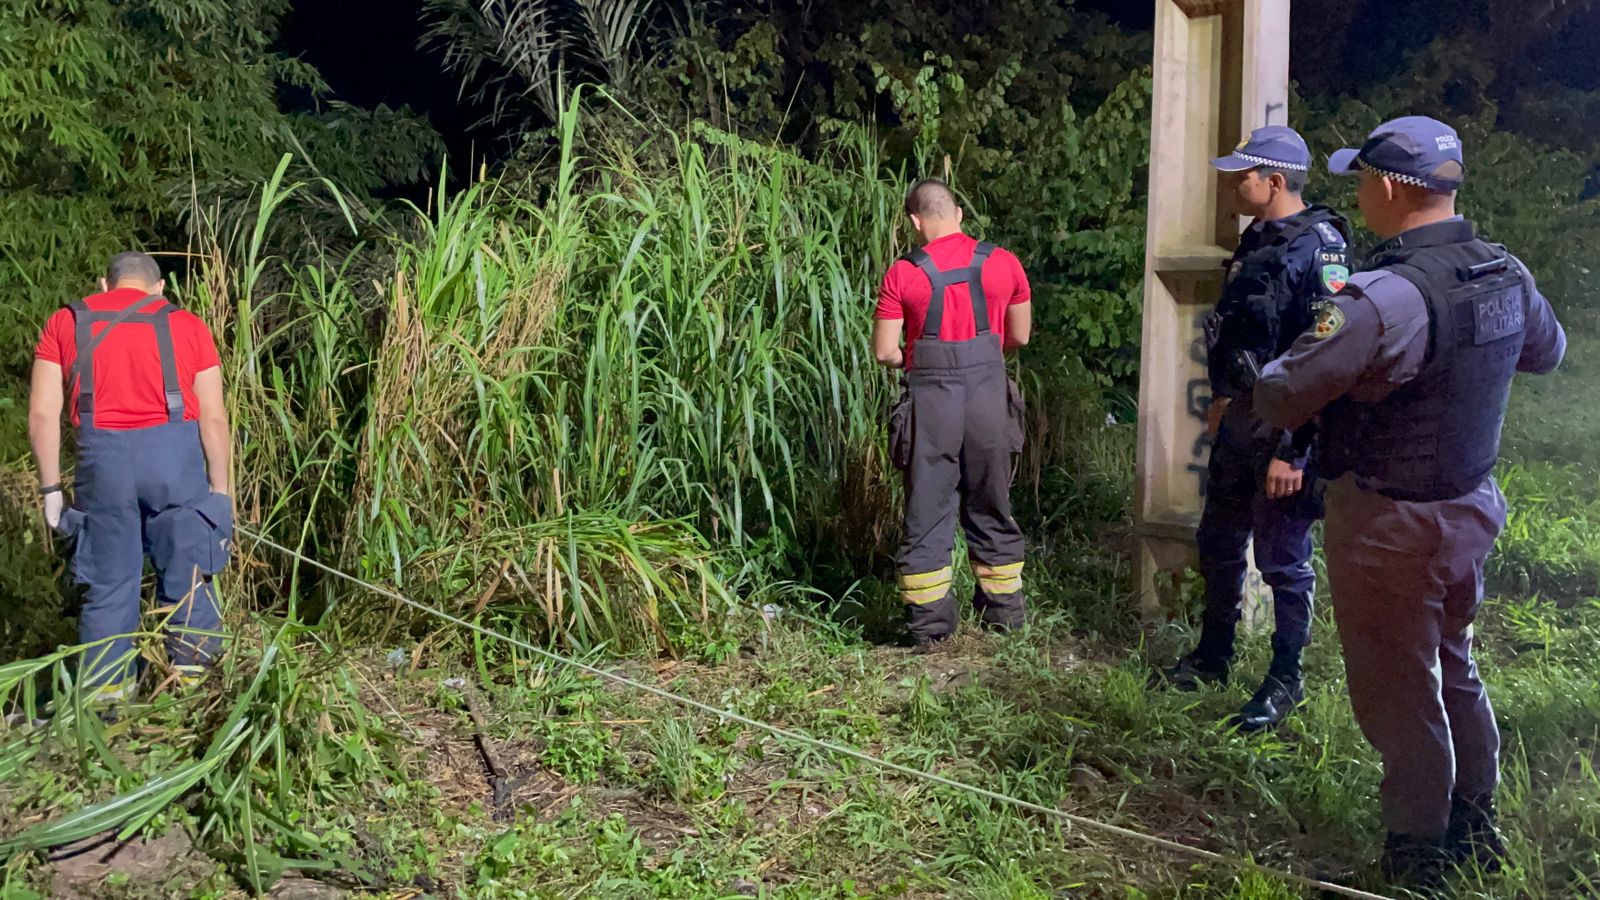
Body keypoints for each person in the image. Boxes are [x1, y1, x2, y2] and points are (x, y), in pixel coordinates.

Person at [1254, 116, 1566, 886]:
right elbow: (1546, 352)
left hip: (1391, 520)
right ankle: (1474, 818)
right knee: (1452, 658)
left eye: (1360, 179)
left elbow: (1283, 391)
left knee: (1398, 683)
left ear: (1390, 187)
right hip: (1469, 506)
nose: (1357, 193)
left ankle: (1416, 850)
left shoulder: (1384, 297)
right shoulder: (1505, 271)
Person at [1160, 126, 1352, 733]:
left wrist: (1295, 452)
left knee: (1283, 559)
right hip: (1242, 417)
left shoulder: (1321, 247)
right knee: (1218, 542)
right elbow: (1238, 329)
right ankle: (1213, 655)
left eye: (1242, 174)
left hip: (1288, 427)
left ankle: (1284, 677)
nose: (1232, 183)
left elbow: (1327, 352)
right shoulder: (1258, 239)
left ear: (1274, 181)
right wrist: (1222, 397)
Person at [29, 251, 235, 704]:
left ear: (105, 284)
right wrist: (221, 491)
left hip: (103, 466)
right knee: (190, 576)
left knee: (108, 583)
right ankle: (194, 696)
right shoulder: (188, 325)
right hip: (175, 464)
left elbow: (44, 415)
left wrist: (50, 490)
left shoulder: (66, 321)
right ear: (159, 289)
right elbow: (214, 419)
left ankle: (105, 701)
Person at [875, 179, 1032, 649]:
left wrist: (921, 360)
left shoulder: (902, 274)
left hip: (932, 403)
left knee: (928, 507)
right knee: (991, 501)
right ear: (959, 213)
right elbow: (1020, 337)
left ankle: (929, 626)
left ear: (915, 221)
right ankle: (1005, 612)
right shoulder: (1003, 262)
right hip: (988, 398)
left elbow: (885, 352)